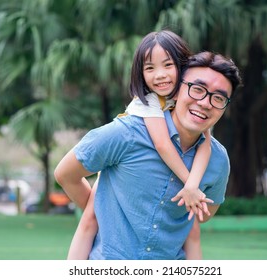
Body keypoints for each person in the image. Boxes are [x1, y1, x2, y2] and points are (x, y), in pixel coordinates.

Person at [54, 50, 242, 259]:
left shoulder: (218, 160)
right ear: (177, 89)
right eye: (198, 89)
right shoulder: (126, 133)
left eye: (218, 98)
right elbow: (65, 174)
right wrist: (104, 212)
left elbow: (203, 215)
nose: (205, 103)